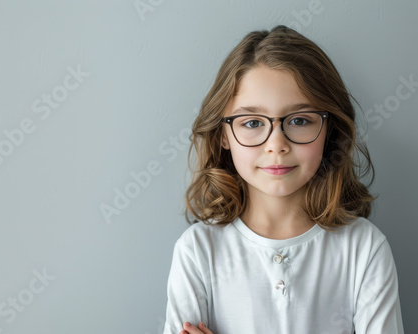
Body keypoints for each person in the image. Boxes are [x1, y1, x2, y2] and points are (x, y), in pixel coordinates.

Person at [162, 25, 404, 334]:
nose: (276, 144)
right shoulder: (197, 252)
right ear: (223, 134)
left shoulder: (364, 249)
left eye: (300, 120)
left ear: (329, 129)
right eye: (252, 122)